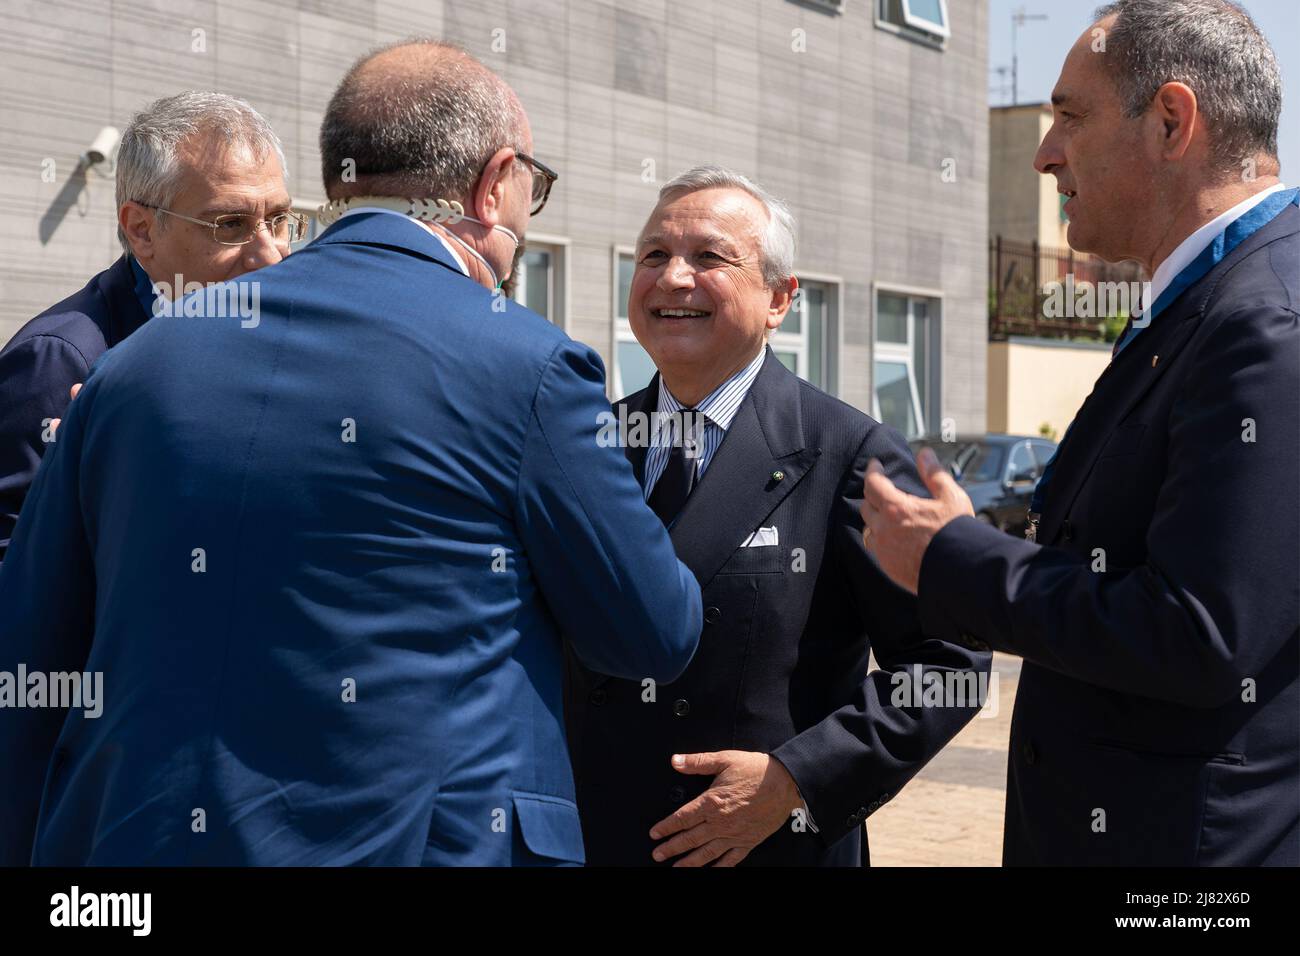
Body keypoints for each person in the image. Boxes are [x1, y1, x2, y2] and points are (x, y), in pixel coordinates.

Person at [0, 40, 700, 866]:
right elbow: (653, 631)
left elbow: (31, 660)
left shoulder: (131, 367)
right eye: (531, 193)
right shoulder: (531, 366)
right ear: (494, 182)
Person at [861, 0, 1298, 865]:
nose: (1043, 151)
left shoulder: (1263, 322)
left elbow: (1201, 631)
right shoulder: (1204, 301)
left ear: (1171, 121)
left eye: (1070, 115)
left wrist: (953, 556)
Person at [566, 165, 990, 866]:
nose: (673, 278)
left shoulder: (851, 455)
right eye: (653, 256)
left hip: (766, 849)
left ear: (779, 299)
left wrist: (798, 779)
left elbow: (952, 662)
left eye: (709, 257)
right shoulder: (585, 444)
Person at [0, 91, 295, 560]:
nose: (269, 256)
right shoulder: (60, 359)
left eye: (278, 220)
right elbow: (15, 576)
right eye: (230, 224)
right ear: (141, 228)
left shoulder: (270, 337)